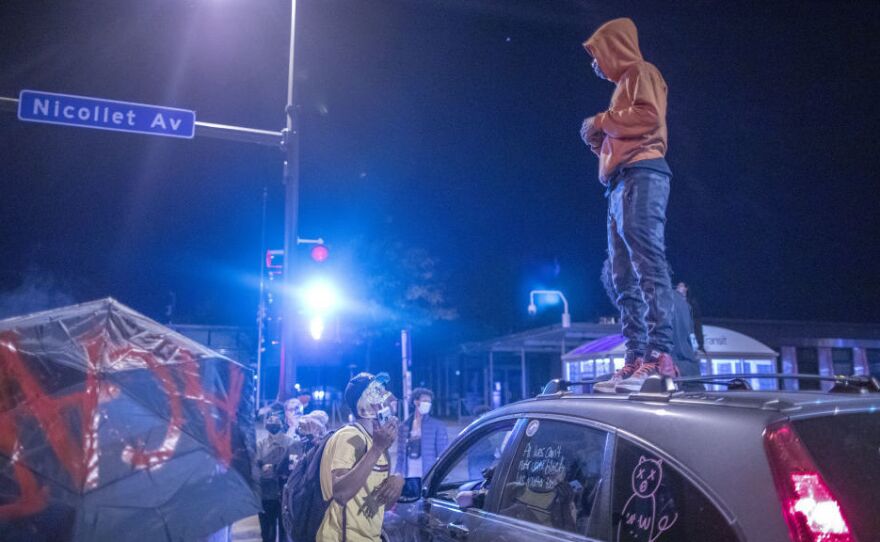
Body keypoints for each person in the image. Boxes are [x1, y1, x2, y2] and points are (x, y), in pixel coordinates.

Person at [581, 17, 679, 390]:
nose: (595, 65)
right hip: (621, 182)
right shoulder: (623, 85)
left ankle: (659, 356)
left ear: (615, 47)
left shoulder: (641, 72)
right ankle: (637, 356)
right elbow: (617, 136)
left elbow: (649, 115)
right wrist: (598, 135)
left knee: (646, 262)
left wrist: (602, 121)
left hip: (642, 174)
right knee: (623, 274)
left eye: (597, 54)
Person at [317, 373, 404, 542]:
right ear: (363, 407)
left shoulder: (377, 441)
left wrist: (397, 481)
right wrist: (377, 449)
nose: (388, 397)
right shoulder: (348, 436)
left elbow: (380, 506)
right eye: (378, 393)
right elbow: (341, 494)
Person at [596, 259, 702, 392]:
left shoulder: (644, 305)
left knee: (603, 381)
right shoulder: (681, 301)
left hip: (663, 387)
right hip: (691, 381)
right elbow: (691, 349)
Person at [256, 413, 295, 542]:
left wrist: (273, 468)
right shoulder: (261, 444)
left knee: (285, 532)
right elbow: (256, 466)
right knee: (267, 532)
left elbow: (292, 467)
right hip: (266, 493)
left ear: (282, 424)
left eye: (276, 419)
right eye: (270, 419)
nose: (272, 422)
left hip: (285, 492)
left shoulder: (290, 443)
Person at [394, 388, 448, 479]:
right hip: (408, 474)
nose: (428, 404)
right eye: (425, 401)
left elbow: (443, 453)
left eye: (429, 402)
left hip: (428, 474)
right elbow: (400, 455)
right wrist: (397, 473)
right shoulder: (404, 426)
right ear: (416, 402)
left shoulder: (437, 426)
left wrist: (442, 476)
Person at [676, 281, 705, 354]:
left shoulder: (692, 302)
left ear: (686, 289)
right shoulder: (673, 302)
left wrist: (700, 344)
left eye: (681, 286)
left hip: (690, 332)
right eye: (678, 286)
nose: (678, 288)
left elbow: (697, 321)